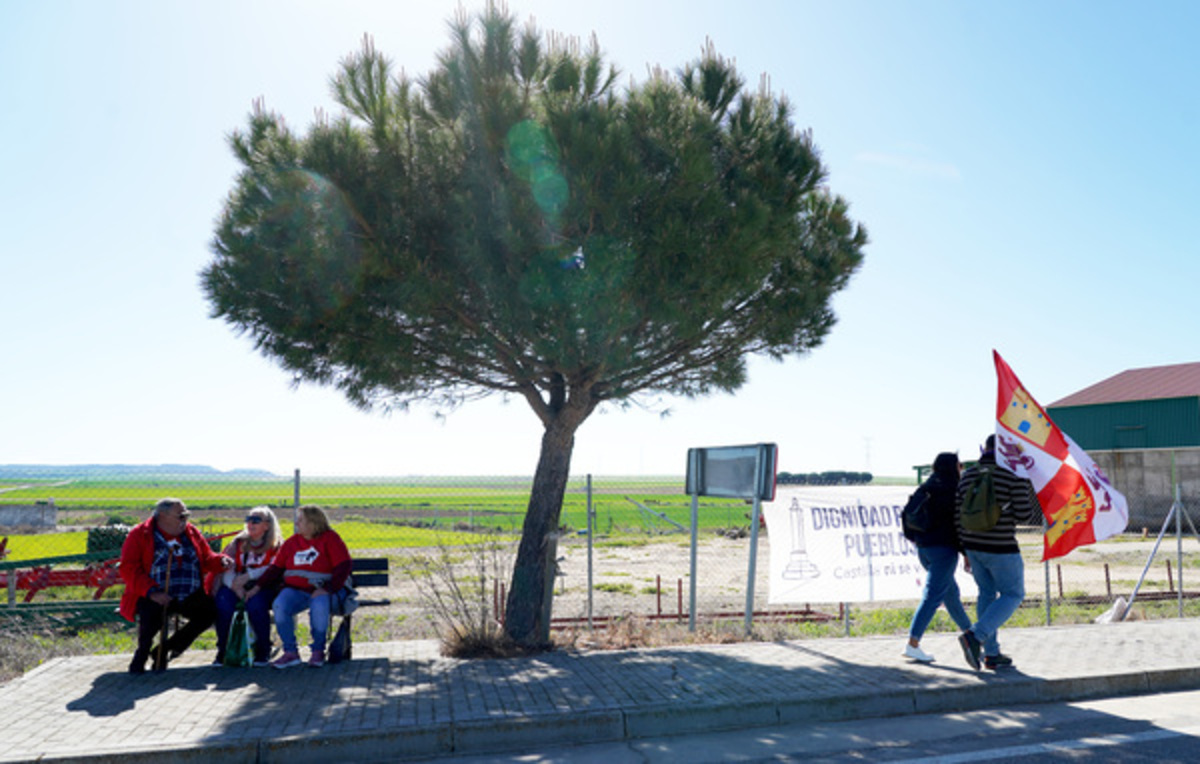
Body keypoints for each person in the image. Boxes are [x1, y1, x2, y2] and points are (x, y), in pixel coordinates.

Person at [955, 435, 1042, 671]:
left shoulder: (968, 474)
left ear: (985, 448)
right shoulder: (1012, 474)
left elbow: (958, 514)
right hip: (1001, 547)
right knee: (1013, 594)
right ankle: (975, 636)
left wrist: (964, 550)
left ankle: (991, 654)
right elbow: (1025, 514)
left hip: (973, 547)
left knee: (986, 594)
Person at [119, 498, 232, 674]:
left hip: (189, 592)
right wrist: (151, 592)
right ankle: (141, 655)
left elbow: (206, 558)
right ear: (162, 515)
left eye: (186, 515)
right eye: (181, 516)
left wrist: (220, 561)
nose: (185, 520)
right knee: (151, 619)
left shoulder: (191, 532)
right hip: (154, 592)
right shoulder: (140, 534)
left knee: (208, 613)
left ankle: (164, 649)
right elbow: (128, 569)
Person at [257, 505, 352, 668]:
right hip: (296, 591)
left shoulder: (330, 539)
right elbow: (276, 569)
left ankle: (318, 651)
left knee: (320, 604)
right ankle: (290, 653)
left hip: (324, 590)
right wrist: (257, 587)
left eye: (300, 520)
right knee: (280, 604)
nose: (296, 523)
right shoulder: (292, 543)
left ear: (313, 523)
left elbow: (344, 567)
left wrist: (326, 588)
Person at [903, 452, 973, 663]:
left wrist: (915, 538)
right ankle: (912, 644)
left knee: (950, 594)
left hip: (924, 549)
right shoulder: (954, 490)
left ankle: (971, 636)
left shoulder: (925, 487)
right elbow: (959, 526)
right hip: (944, 551)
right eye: (960, 465)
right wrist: (966, 554)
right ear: (954, 467)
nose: (961, 469)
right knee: (933, 596)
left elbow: (907, 515)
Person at [211, 506, 283, 667]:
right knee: (223, 603)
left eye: (256, 520)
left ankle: (263, 650)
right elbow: (226, 567)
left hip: (264, 586)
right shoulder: (237, 543)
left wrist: (249, 576)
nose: (250, 523)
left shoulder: (276, 546)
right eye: (248, 519)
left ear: (267, 525)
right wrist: (235, 586)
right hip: (234, 584)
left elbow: (273, 569)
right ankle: (223, 650)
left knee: (256, 604)